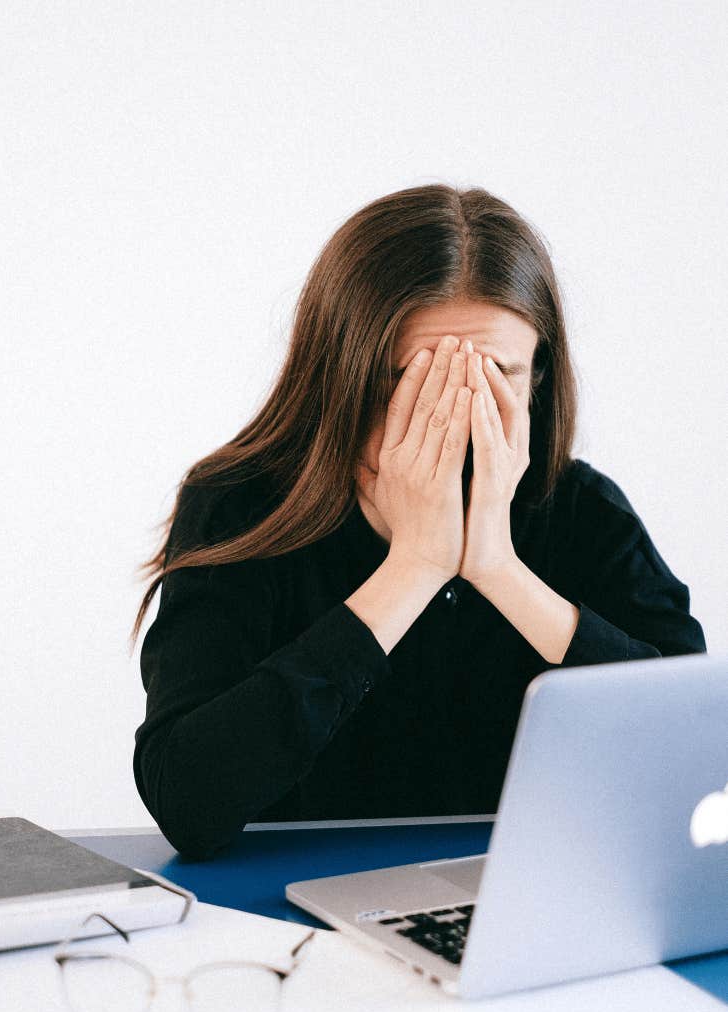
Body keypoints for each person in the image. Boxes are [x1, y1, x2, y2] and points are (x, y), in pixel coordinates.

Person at [128, 184, 707, 861]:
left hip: (516, 894)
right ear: (339, 376)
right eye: (415, 382)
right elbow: (187, 802)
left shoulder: (582, 510)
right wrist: (414, 566)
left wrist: (498, 568)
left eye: (496, 381)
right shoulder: (239, 505)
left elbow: (692, 758)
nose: (454, 418)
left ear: (539, 379)